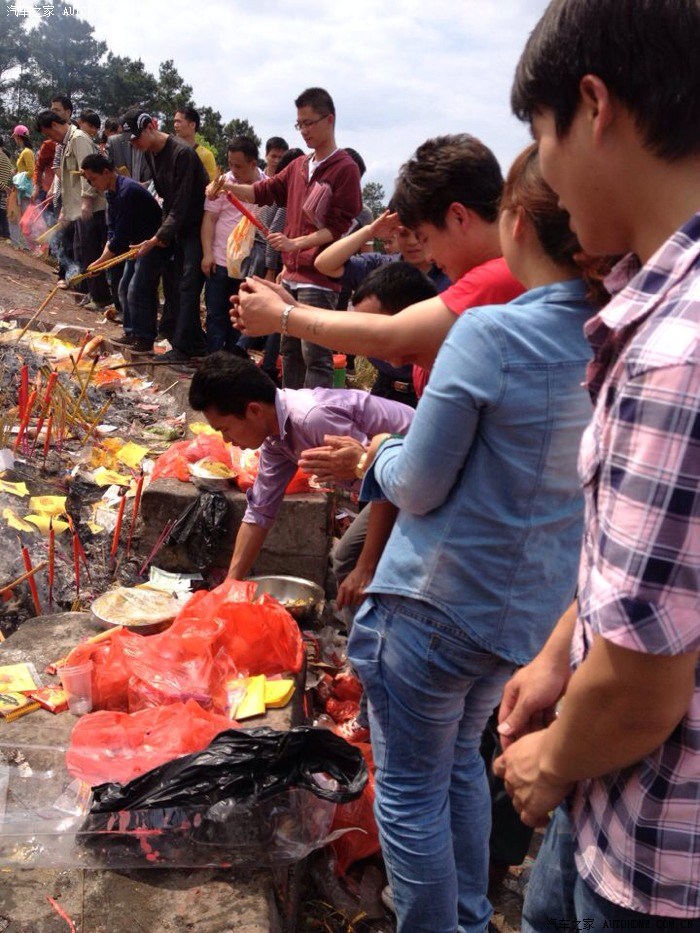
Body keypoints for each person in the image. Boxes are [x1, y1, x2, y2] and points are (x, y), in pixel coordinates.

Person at [346, 145, 600, 932]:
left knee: (410, 792)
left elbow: (419, 481)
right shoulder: (608, 337)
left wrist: (376, 453)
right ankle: (464, 912)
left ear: (516, 222)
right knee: (455, 761)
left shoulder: (491, 333)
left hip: (434, 604)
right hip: (518, 619)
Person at [492, 1, 700, 929]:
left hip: (650, 855)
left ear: (595, 104)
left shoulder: (677, 354)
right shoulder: (652, 311)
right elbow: (651, 576)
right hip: (609, 802)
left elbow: (643, 687)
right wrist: (551, 656)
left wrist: (549, 764)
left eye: (542, 133)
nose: (544, 169)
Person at [232, 133, 522, 401]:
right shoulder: (501, 271)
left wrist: (283, 315)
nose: (427, 253)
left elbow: (390, 337)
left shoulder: (498, 278)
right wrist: (291, 306)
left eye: (424, 237)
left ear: (458, 217)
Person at [188, 352, 414, 581]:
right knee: (347, 561)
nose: (226, 441)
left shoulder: (312, 419)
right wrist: (231, 584)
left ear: (254, 410)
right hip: (391, 486)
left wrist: (366, 567)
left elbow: (384, 482)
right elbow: (259, 512)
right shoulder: (276, 437)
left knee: (370, 569)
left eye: (225, 429)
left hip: (425, 477)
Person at [224, 87, 362, 389]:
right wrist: (228, 186)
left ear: (330, 120)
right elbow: (263, 190)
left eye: (310, 123)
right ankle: (293, 412)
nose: (304, 131)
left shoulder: (345, 169)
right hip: (291, 273)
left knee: (315, 352)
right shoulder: (298, 166)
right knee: (289, 350)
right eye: (300, 124)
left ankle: (316, 418)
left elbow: (339, 228)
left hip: (319, 277)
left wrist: (295, 244)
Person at [120, 107, 209, 362]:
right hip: (169, 223)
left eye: (137, 138)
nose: (135, 145)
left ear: (150, 127)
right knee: (143, 273)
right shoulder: (150, 153)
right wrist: (157, 237)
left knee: (186, 285)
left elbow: (182, 206)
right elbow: (167, 201)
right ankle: (143, 336)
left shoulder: (183, 153)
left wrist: (158, 238)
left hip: (193, 226)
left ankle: (184, 347)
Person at [81, 153, 163, 352]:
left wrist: (100, 262)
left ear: (106, 172)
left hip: (152, 245)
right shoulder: (111, 192)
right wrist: (101, 260)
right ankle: (132, 332)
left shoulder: (128, 192)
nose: (92, 184)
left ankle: (144, 338)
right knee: (124, 287)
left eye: (93, 178)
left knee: (138, 289)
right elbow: (113, 230)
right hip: (135, 246)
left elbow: (120, 238)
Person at [35, 109, 111, 310]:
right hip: (77, 208)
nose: (50, 138)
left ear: (54, 125)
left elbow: (89, 172)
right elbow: (70, 181)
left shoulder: (78, 139)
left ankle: (101, 297)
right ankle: (92, 293)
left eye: (48, 133)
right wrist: (66, 210)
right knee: (82, 250)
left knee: (91, 251)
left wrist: (86, 200)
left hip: (92, 207)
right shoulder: (68, 142)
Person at [201, 136, 265, 353]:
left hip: (249, 265)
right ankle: (214, 360)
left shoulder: (266, 186)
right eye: (230, 164)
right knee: (216, 314)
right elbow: (209, 220)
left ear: (253, 164)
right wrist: (207, 254)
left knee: (241, 315)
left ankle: (234, 363)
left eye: (238, 165)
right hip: (220, 260)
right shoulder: (220, 184)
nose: (233, 170)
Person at [173, 107, 218, 181]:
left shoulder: (206, 155)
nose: (175, 125)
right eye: (174, 122)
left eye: (178, 121)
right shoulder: (171, 152)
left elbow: (211, 184)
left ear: (192, 125)